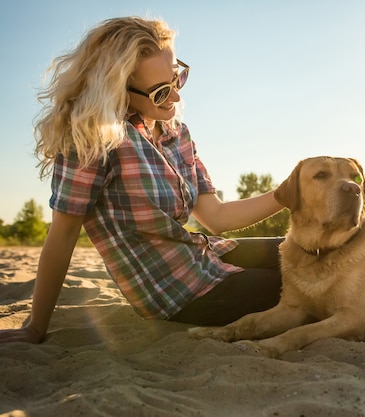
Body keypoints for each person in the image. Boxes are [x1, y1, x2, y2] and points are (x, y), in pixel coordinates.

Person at [0, 17, 285, 344]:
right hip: (176, 292)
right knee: (306, 283)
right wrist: (35, 328)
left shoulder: (176, 131)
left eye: (177, 78)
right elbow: (62, 235)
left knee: (313, 253)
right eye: (161, 91)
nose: (175, 98)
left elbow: (217, 217)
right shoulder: (93, 141)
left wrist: (287, 195)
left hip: (206, 255)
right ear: (117, 89)